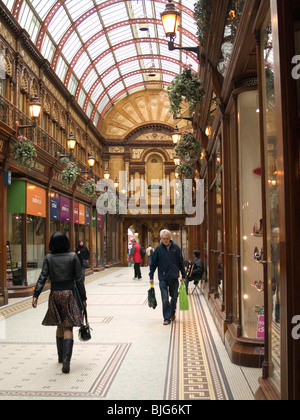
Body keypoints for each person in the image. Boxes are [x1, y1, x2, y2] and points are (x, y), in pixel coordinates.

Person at [32, 232, 87, 374]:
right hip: (69, 294)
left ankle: (61, 357)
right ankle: (67, 361)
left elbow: (42, 277)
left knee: (59, 324)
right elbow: (79, 279)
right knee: (68, 327)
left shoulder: (49, 258)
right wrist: (84, 298)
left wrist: (36, 295)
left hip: (55, 294)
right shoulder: (73, 256)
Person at [149, 229, 186, 325]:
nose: (165, 240)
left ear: (170, 238)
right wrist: (151, 276)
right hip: (163, 277)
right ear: (161, 238)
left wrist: (183, 275)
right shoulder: (158, 249)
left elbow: (180, 262)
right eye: (163, 239)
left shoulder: (176, 248)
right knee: (165, 298)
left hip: (174, 276)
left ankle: (172, 312)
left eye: (167, 238)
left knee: (174, 297)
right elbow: (153, 264)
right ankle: (166, 318)